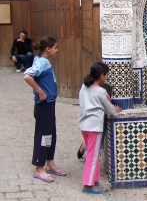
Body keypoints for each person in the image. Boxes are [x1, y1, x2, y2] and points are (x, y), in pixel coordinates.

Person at [23, 36, 67, 183]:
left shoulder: (42, 61)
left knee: (50, 134)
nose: (56, 50)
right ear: (48, 49)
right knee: (43, 135)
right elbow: (27, 76)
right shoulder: (42, 62)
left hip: (49, 104)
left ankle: (50, 163)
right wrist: (40, 91)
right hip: (44, 105)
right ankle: (39, 167)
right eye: (55, 47)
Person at [79, 62, 122, 194]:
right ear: (102, 75)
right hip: (94, 127)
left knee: (93, 154)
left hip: (84, 125)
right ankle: (88, 185)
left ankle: (94, 180)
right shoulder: (101, 91)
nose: (107, 77)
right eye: (107, 75)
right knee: (93, 155)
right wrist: (116, 110)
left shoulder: (84, 87)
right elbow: (110, 110)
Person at [77, 82, 113, 160]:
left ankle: (84, 147)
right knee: (94, 144)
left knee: (93, 143)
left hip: (89, 129)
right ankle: (87, 151)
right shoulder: (99, 109)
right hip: (94, 128)